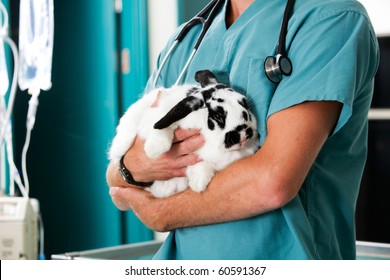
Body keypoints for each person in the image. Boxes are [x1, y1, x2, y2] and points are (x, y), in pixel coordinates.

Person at [106, 0, 379, 259]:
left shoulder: (330, 18)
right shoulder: (187, 40)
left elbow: (272, 181)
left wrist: (160, 212)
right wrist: (133, 166)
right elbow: (116, 183)